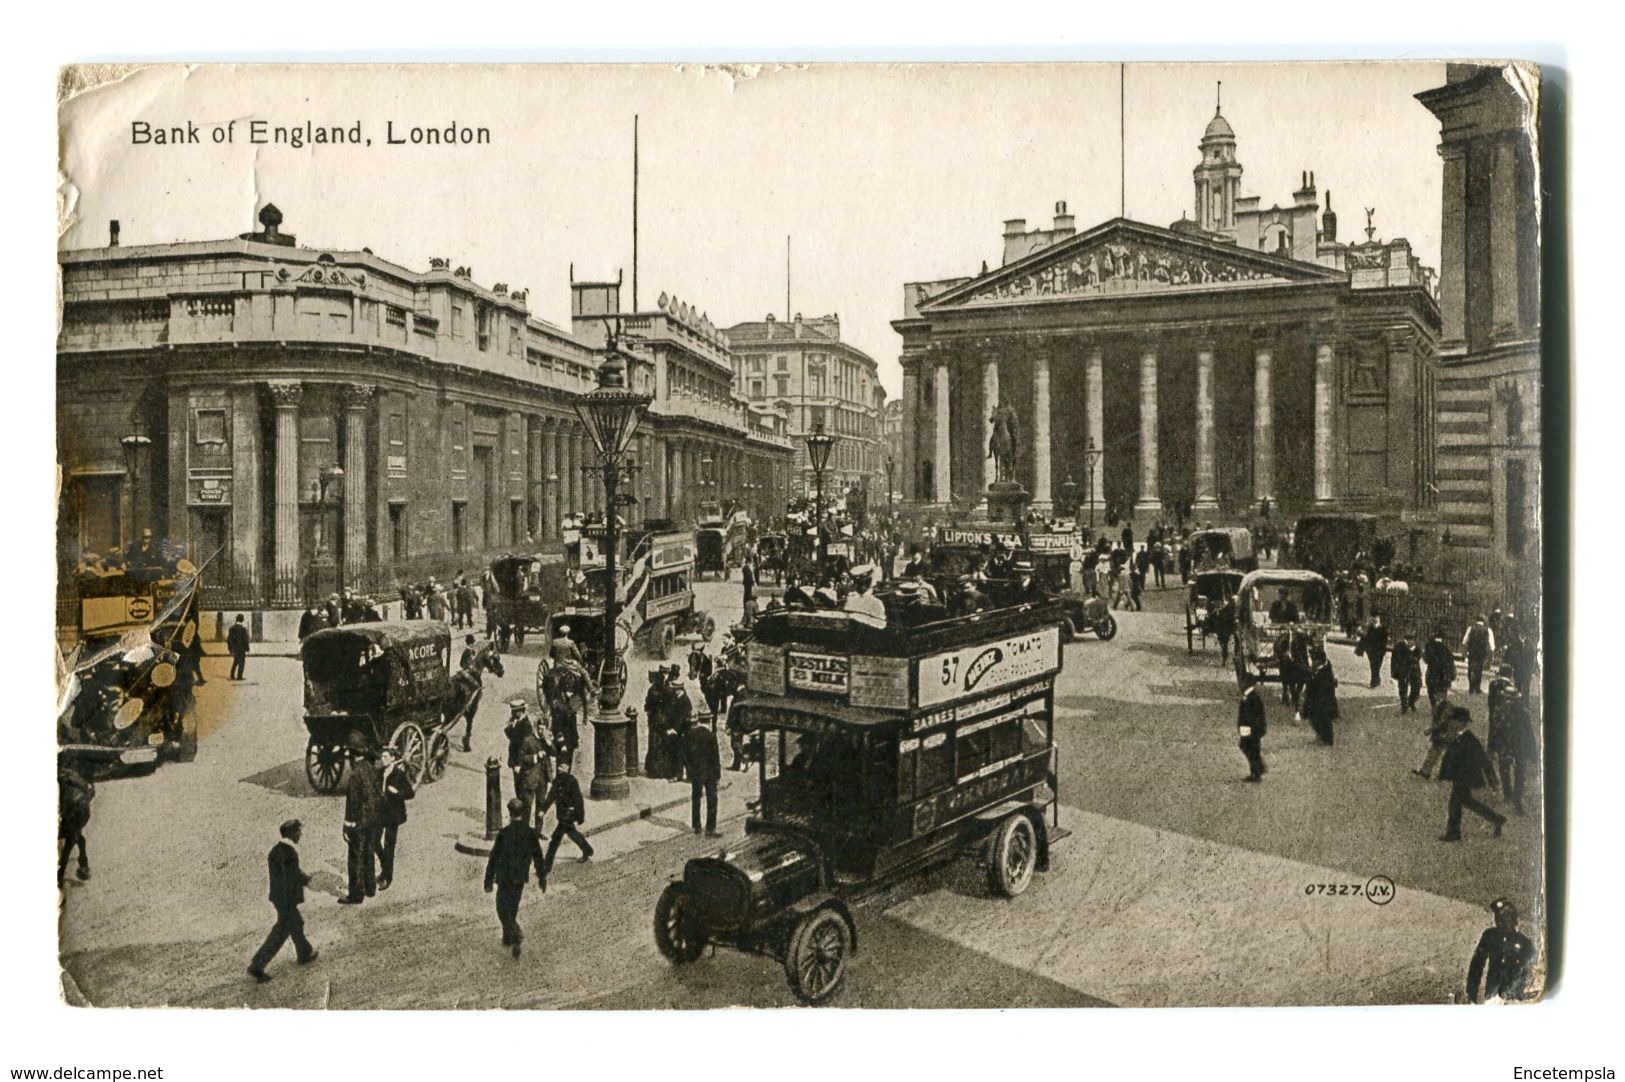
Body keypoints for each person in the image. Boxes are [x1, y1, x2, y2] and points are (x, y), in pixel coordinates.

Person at [248, 819, 317, 982]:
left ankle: (304, 952)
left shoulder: (277, 850)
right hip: (286, 900)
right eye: (298, 832)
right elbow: (292, 876)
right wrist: (307, 880)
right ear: (292, 834)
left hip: (280, 898)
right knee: (280, 933)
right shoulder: (289, 853)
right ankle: (257, 966)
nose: (300, 834)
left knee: (296, 923)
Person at [483, 798, 548, 959]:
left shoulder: (504, 834)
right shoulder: (530, 832)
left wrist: (488, 880)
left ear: (510, 813)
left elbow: (494, 857)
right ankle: (508, 937)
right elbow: (538, 856)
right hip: (519, 877)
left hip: (504, 876)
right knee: (512, 906)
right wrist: (541, 877)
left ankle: (515, 932)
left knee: (501, 907)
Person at [1437, 706, 1506, 842]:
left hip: (1465, 777)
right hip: (1461, 776)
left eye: (1453, 721)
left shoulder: (1470, 739)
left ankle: (1453, 832)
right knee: (1467, 802)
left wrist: (1492, 780)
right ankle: (1496, 819)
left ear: (1460, 722)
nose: (1451, 723)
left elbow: (1483, 760)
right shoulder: (1459, 736)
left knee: (1455, 803)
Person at [339, 735, 383, 904]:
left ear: (351, 754)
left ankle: (356, 895)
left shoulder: (355, 775)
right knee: (369, 853)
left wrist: (347, 827)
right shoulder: (371, 768)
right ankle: (370, 888)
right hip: (373, 820)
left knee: (355, 858)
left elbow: (352, 804)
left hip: (358, 823)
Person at [1466, 898, 1537, 1002]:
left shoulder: (1525, 944)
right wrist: (1471, 994)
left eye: (1505, 918)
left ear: (1513, 919)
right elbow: (1477, 965)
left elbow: (1531, 973)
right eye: (1498, 918)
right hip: (1492, 996)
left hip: (1515, 1000)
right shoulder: (1490, 936)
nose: (1500, 922)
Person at [1487, 681, 1535, 817]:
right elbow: (1529, 733)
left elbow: (1493, 730)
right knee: (1519, 774)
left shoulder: (1498, 710)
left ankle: (1508, 793)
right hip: (1518, 747)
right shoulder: (1523, 712)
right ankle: (1517, 799)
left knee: (1505, 769)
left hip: (1504, 746)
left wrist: (1492, 746)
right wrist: (1533, 752)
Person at [539, 763, 594, 871]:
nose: (560, 769)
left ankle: (546, 865)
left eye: (563, 767)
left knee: (555, 840)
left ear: (567, 769)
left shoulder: (572, 781)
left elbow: (578, 800)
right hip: (562, 815)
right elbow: (551, 797)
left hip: (567, 816)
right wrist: (543, 810)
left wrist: (580, 816)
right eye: (559, 766)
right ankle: (587, 850)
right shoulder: (557, 781)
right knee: (572, 834)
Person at [376, 748, 415, 890]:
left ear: (393, 758)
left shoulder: (399, 774)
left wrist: (397, 793)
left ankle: (387, 877)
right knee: (374, 839)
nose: (383, 759)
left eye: (386, 757)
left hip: (393, 815)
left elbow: (410, 793)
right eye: (382, 757)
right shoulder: (380, 773)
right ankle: (384, 865)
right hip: (380, 813)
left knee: (389, 846)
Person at [684, 712, 724, 836]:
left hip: (696, 772)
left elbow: (685, 756)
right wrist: (718, 775)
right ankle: (710, 828)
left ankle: (697, 825)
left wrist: (689, 771)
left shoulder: (689, 735)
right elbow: (715, 757)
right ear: (709, 721)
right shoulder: (710, 736)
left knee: (696, 798)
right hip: (710, 772)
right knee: (712, 799)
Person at [57, 762, 95, 885]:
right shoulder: (69, 775)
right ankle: (82, 865)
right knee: (76, 838)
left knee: (73, 839)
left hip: (72, 810)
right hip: (77, 808)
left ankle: (59, 876)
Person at [1302, 650, 1339, 746]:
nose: (1312, 661)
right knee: (1314, 719)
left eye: (1313, 659)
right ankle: (1320, 736)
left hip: (1324, 701)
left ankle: (1327, 740)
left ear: (1319, 660)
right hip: (1314, 700)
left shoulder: (1326, 671)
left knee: (1325, 721)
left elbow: (1326, 687)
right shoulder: (1317, 668)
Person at [1236, 671, 1267, 782]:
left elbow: (1254, 715)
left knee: (1250, 749)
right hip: (1249, 729)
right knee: (1249, 748)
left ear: (1247, 683)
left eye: (1241, 682)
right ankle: (1257, 769)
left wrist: (1252, 729)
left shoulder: (1252, 698)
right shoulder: (1249, 696)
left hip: (1252, 729)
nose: (1240, 684)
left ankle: (1256, 772)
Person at [1462, 616, 1496, 695]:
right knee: (1479, 669)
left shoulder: (1471, 628)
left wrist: (1465, 652)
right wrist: (1491, 653)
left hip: (1472, 652)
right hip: (1481, 653)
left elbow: (1465, 641)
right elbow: (1491, 644)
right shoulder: (1488, 630)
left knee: (1470, 668)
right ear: (1483, 621)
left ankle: (1471, 687)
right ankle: (1477, 687)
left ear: (1476, 620)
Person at [1391, 634, 1422, 713]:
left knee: (1416, 689)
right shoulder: (1400, 647)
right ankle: (1404, 706)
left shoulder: (1417, 649)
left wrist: (1409, 654)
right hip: (1403, 671)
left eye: (1412, 640)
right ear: (1406, 640)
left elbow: (1417, 658)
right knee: (1403, 689)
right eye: (1409, 640)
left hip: (1415, 672)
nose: (1411, 642)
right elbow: (1396, 658)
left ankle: (1411, 702)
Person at [550, 690, 579, 771]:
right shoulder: (559, 707)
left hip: (570, 741)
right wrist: (562, 744)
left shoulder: (569, 704)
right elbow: (556, 728)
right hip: (564, 743)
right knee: (562, 767)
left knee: (568, 766)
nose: (571, 693)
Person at [1356, 616, 1388, 689]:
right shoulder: (1370, 628)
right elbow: (1366, 637)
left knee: (1378, 666)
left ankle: (1377, 679)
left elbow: (1385, 640)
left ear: (1379, 619)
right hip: (1371, 651)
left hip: (1380, 651)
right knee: (1373, 665)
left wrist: (1384, 649)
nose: (1375, 619)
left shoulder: (1383, 628)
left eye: (1377, 617)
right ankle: (1373, 682)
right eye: (1374, 617)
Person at [226, 613, 251, 681]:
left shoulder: (231, 628)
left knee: (236, 661)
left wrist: (230, 648)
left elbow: (229, 639)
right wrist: (247, 648)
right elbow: (245, 640)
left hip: (234, 648)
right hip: (241, 649)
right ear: (242, 620)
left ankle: (232, 676)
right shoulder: (243, 629)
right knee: (242, 663)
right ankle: (239, 676)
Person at [741, 554, 758, 627]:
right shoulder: (746, 568)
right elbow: (749, 579)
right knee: (748, 603)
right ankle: (748, 620)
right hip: (748, 589)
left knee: (749, 603)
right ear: (749, 561)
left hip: (748, 588)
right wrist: (753, 582)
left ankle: (748, 620)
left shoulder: (747, 568)